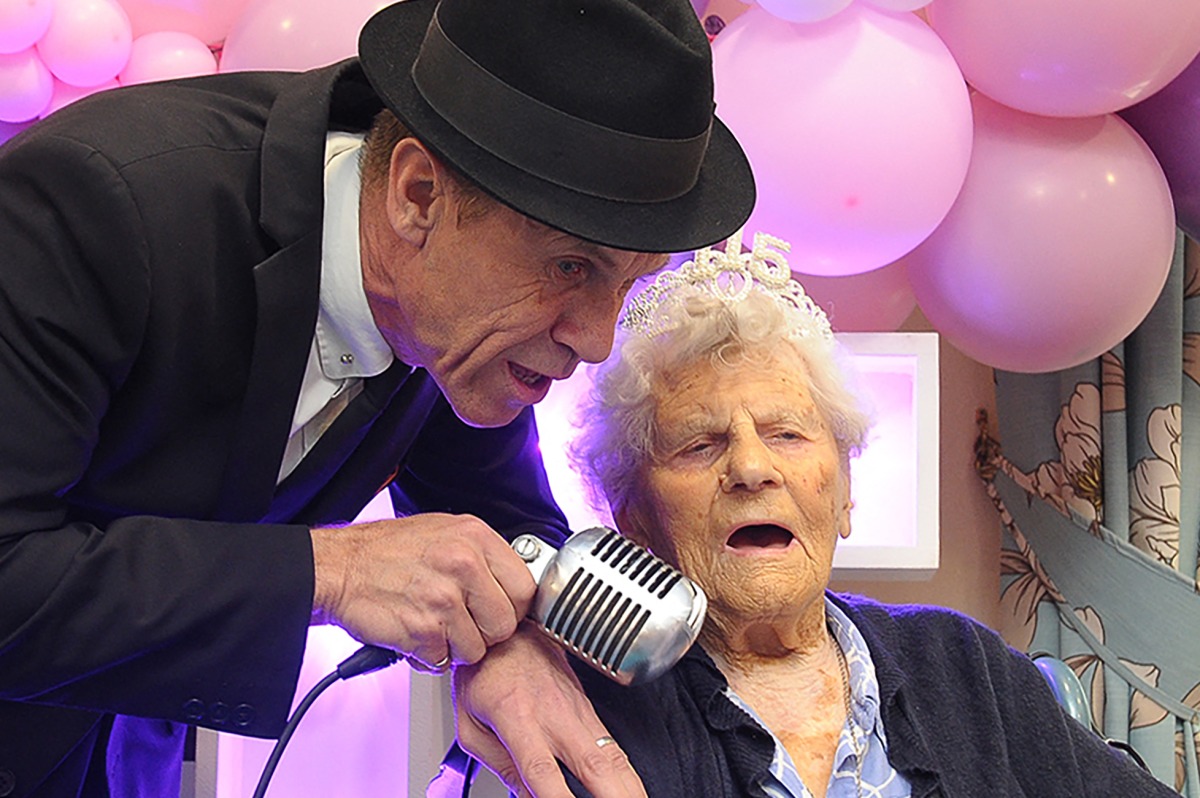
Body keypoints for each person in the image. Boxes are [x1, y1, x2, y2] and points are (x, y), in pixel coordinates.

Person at [0, 0, 755, 793]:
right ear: (418, 194)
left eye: (630, 283)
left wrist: (510, 645)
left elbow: (500, 512)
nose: (597, 339)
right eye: (571, 267)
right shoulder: (91, 206)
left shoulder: (453, 312)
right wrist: (330, 574)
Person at [563, 230, 1178, 797]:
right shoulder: (589, 707)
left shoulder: (962, 665)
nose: (751, 468)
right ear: (632, 515)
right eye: (700, 445)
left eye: (787, 434)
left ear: (845, 493)